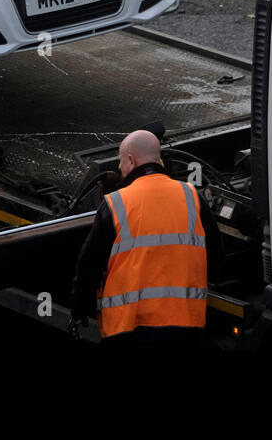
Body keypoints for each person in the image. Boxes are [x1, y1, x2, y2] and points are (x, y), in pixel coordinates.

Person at [70, 129, 222, 348]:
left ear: (131, 160)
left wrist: (79, 310)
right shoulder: (192, 197)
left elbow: (89, 267)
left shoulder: (116, 203)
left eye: (121, 162)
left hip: (129, 327)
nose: (120, 169)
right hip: (186, 325)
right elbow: (216, 259)